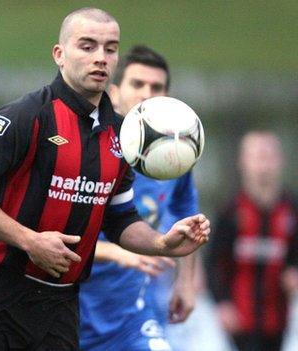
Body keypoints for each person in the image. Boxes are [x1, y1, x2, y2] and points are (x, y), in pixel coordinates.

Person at [0, 7, 210, 350]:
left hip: (62, 306)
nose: (100, 58)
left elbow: (120, 218)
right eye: (87, 46)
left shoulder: (121, 137)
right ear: (60, 54)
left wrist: (163, 244)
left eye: (110, 49)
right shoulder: (27, 116)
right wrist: (30, 241)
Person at [78, 45, 200, 351]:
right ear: (115, 93)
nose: (147, 94)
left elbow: (188, 213)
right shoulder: (87, 152)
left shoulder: (173, 159)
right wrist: (120, 253)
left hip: (132, 317)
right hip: (72, 309)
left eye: (156, 87)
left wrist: (185, 281)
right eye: (137, 84)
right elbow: (54, 234)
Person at [206, 131, 298, 351]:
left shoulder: (292, 210)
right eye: (257, 157)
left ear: (280, 161)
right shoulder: (231, 211)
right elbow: (213, 263)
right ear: (243, 162)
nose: (263, 165)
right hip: (240, 322)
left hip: (279, 321)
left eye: (268, 156)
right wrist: (222, 303)